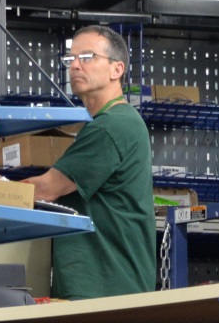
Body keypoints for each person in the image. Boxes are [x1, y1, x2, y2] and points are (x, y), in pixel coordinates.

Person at [19, 24, 157, 299]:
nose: (75, 66)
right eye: (71, 59)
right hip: (106, 292)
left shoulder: (112, 126)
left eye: (87, 57)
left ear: (116, 69)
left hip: (106, 293)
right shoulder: (112, 123)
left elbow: (46, 189)